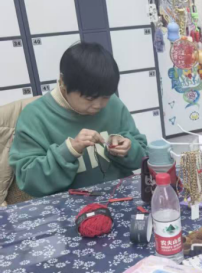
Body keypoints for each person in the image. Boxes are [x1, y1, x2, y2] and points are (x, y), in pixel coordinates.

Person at [10, 42, 147, 198]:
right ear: (63, 82)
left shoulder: (113, 104)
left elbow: (143, 156)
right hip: (65, 206)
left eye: (106, 97)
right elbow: (28, 180)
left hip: (120, 197)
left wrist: (128, 148)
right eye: (89, 98)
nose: (99, 105)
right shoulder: (34, 116)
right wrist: (69, 151)